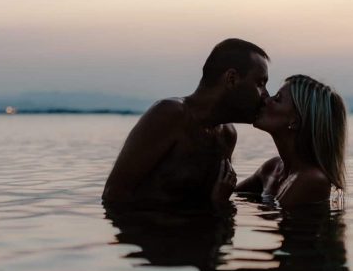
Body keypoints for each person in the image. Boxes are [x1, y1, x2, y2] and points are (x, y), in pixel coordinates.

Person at [103, 38, 270, 207]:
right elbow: (114, 194)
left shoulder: (227, 135)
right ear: (232, 78)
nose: (266, 95)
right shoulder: (170, 115)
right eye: (260, 83)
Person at [235, 75, 347, 207]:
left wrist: (218, 200)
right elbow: (231, 194)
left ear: (295, 121)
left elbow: (284, 226)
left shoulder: (312, 179)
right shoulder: (272, 168)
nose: (266, 99)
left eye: (277, 99)